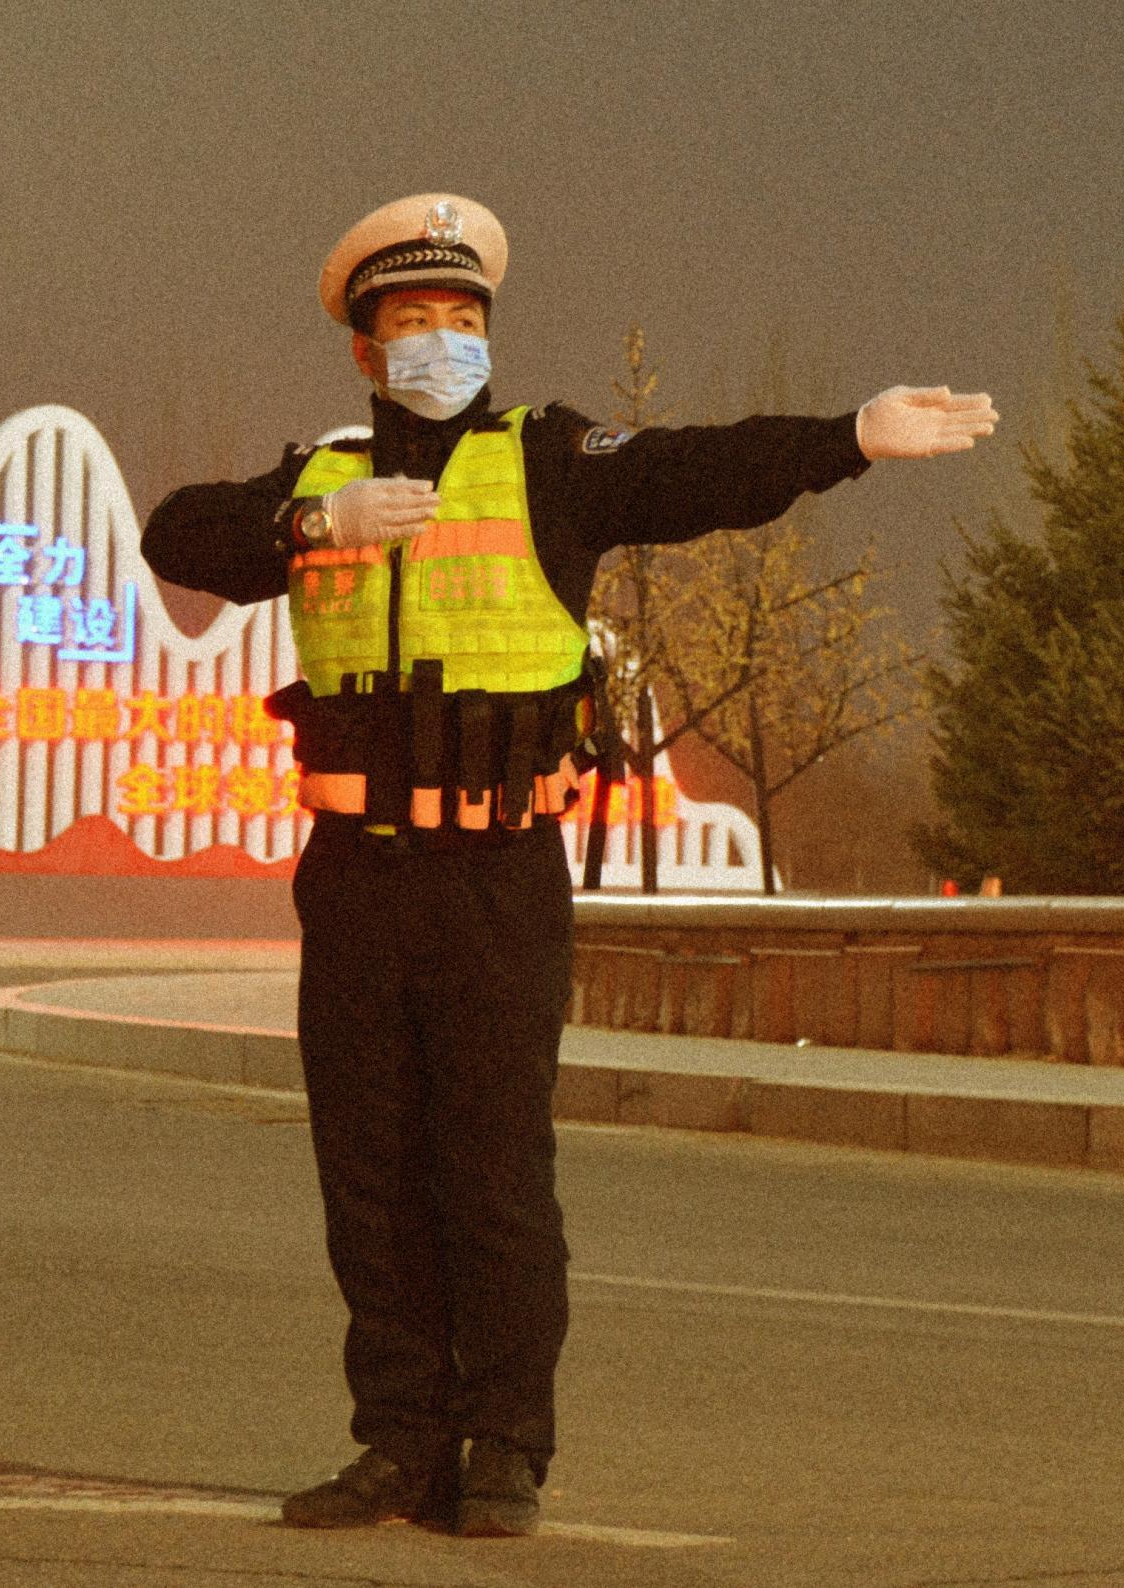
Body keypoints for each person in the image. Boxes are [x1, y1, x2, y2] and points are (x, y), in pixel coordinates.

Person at [138, 192, 996, 1537]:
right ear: (366, 352)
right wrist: (315, 528)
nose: (439, 341)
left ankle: (504, 1446)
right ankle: (400, 1441)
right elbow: (176, 533)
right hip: (358, 876)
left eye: (461, 319)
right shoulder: (317, 482)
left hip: (498, 874)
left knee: (491, 1173)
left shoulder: (549, 460)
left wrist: (848, 441)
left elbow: (699, 470)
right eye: (412, 323)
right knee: (368, 1176)